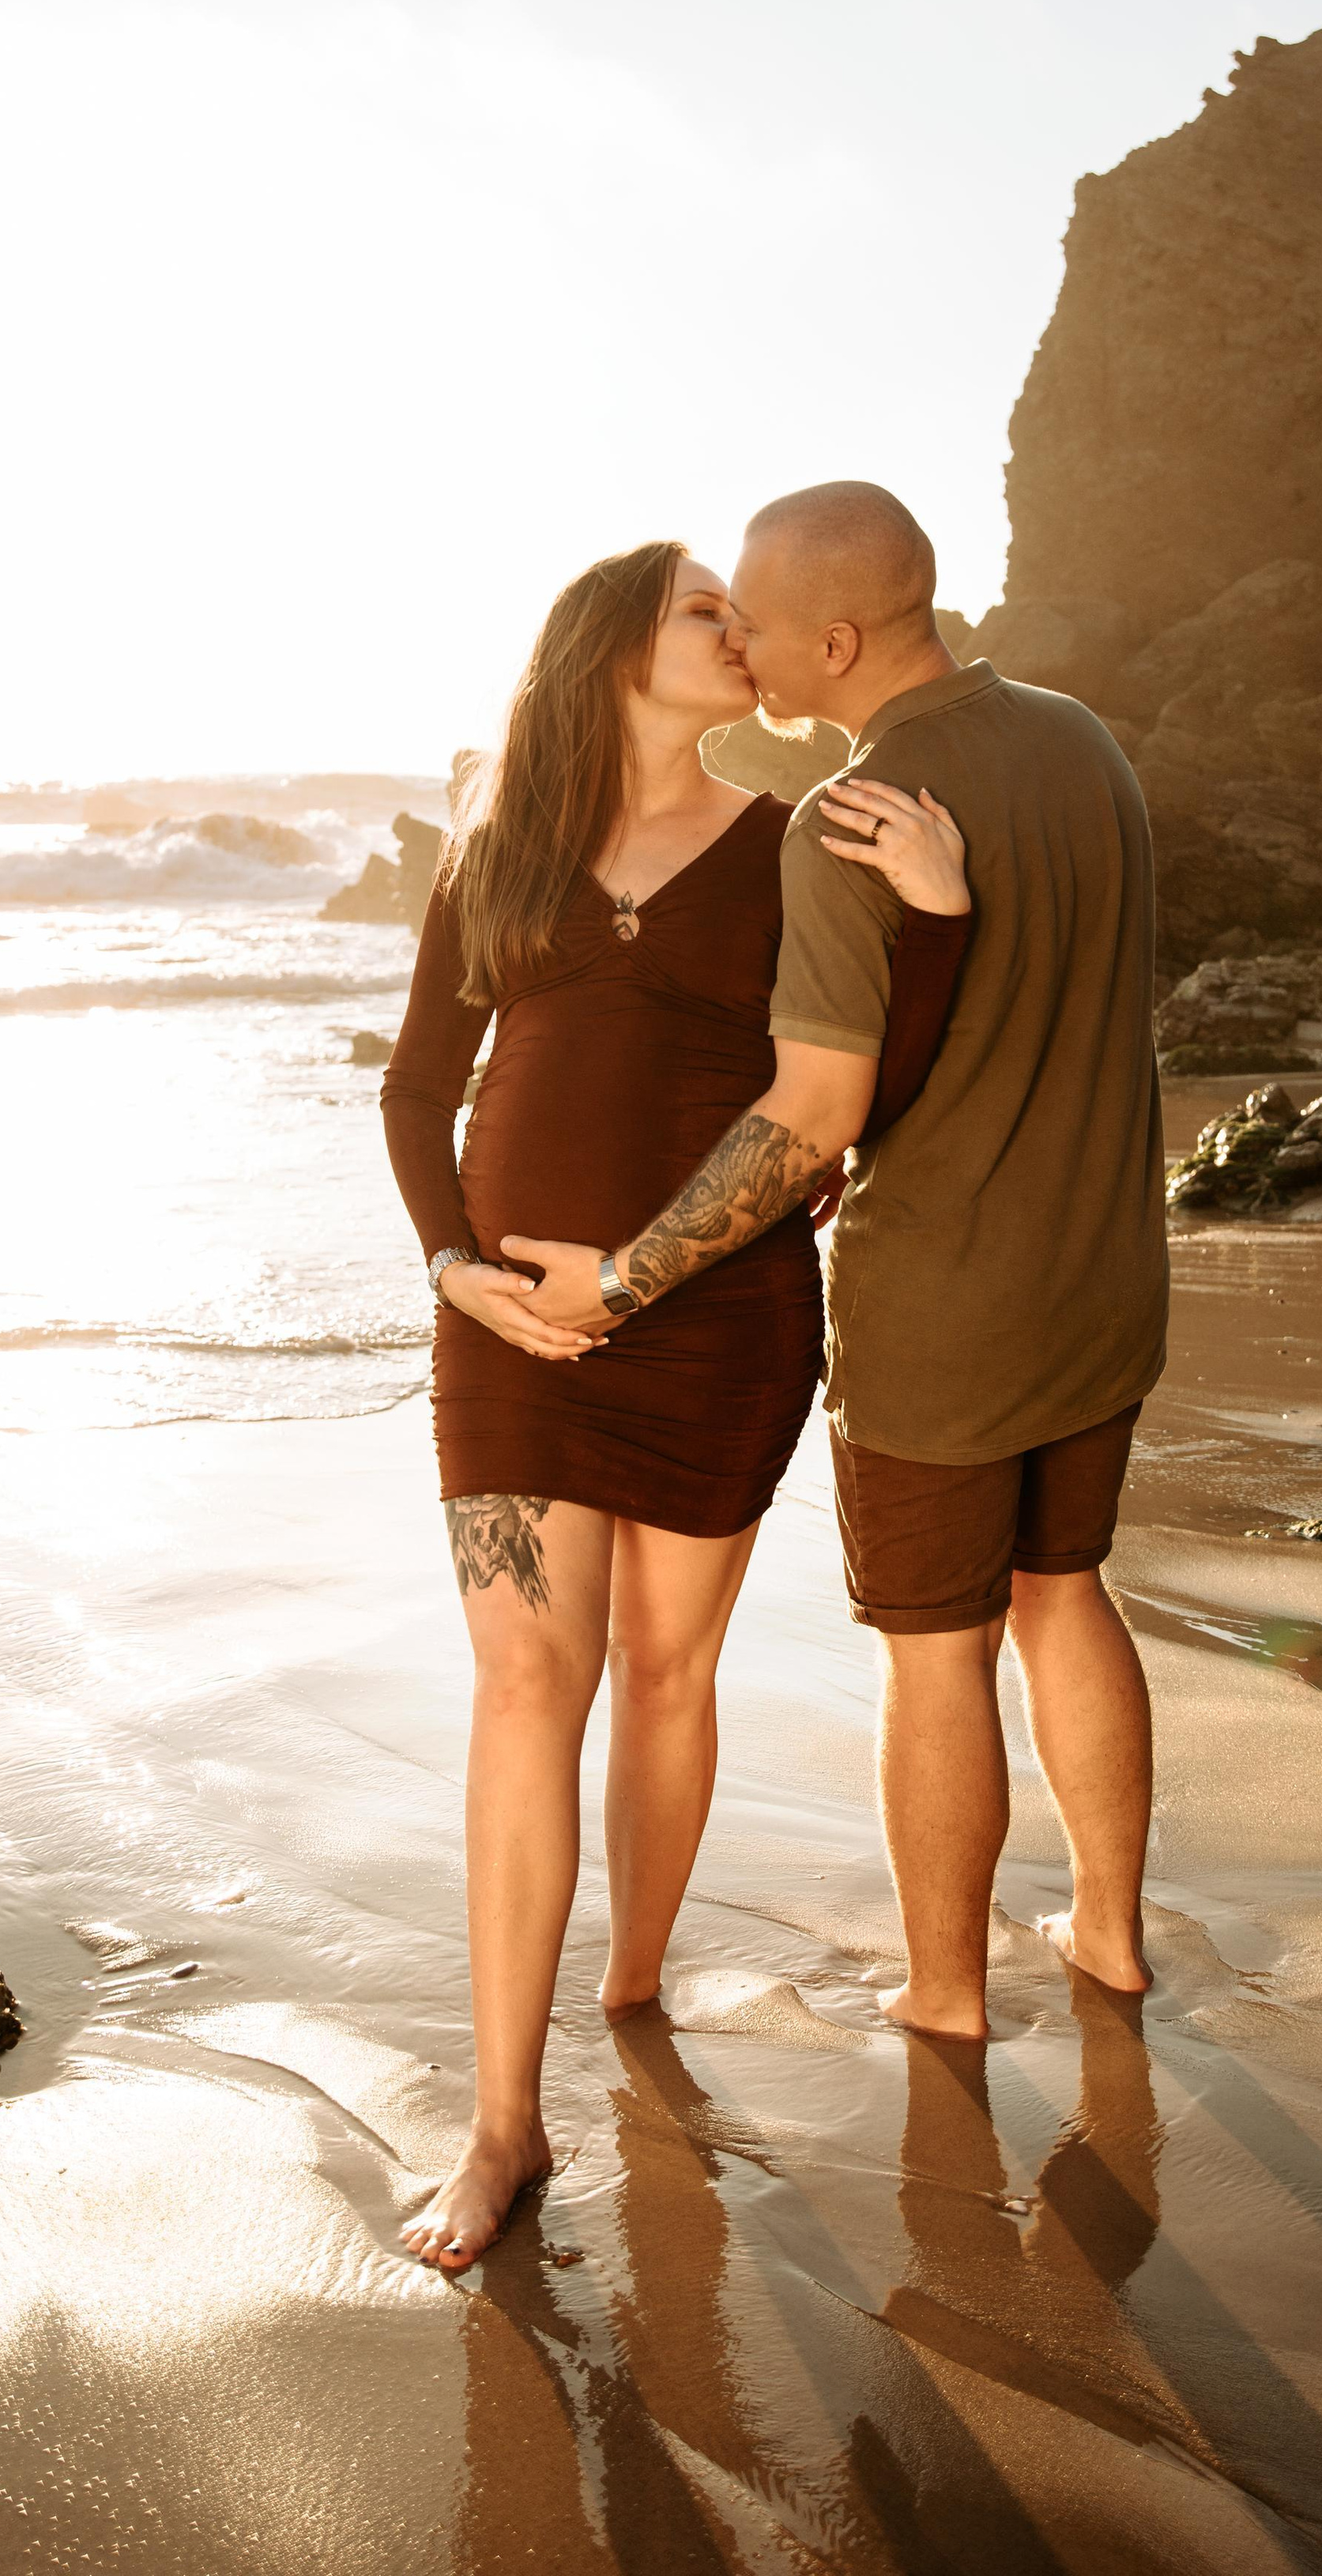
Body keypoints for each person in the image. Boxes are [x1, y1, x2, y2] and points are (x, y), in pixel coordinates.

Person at [379, 538, 973, 2269]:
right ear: (611, 650)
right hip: (507, 1325)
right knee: (520, 1678)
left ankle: (631, 1984)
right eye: (704, 608)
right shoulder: (495, 857)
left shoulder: (793, 843)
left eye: (740, 608)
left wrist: (933, 917)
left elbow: (867, 1082)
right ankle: (502, 2125)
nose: (740, 630)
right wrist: (447, 1263)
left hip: (716, 1319)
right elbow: (421, 1082)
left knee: (664, 1668)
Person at [509, 483, 1168, 2037]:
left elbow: (812, 1117)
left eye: (752, 615)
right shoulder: (1084, 746)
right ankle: (1109, 1935)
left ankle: (943, 1993)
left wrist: (621, 1279)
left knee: (938, 1653)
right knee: (1068, 1594)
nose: (739, 640)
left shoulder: (844, 820)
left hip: (943, 1303)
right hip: (1106, 1276)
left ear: (839, 635)